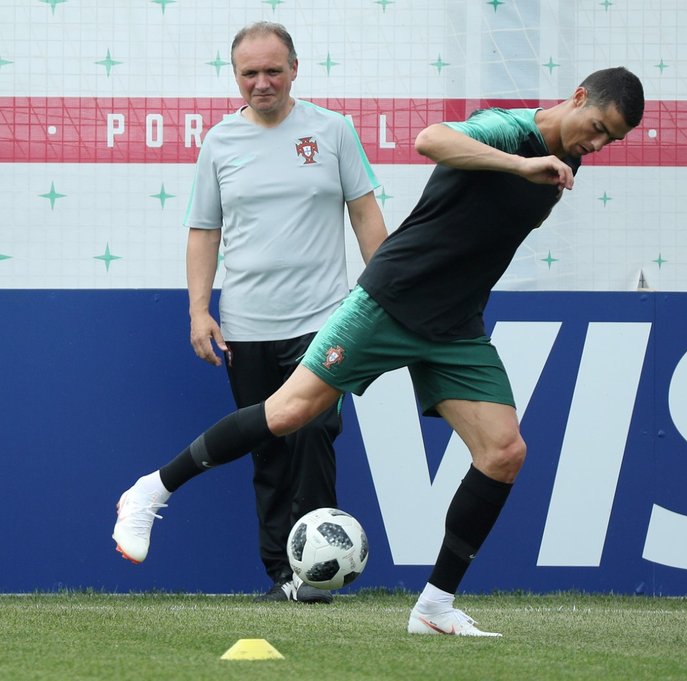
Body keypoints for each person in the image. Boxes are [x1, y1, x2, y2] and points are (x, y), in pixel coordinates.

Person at [114, 66, 645, 635]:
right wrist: (521, 165)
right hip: (393, 299)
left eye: (609, 139)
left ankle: (434, 608)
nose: (597, 143)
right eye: (596, 127)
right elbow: (431, 140)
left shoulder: (572, 159)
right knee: (290, 413)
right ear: (579, 97)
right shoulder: (510, 131)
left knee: (504, 453)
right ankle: (150, 490)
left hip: (455, 325)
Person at [181, 22, 387, 604]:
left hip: (325, 320)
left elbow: (366, 217)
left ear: (295, 68)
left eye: (274, 70)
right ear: (236, 76)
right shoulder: (219, 142)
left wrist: (385, 297)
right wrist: (201, 310)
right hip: (246, 325)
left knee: (316, 432)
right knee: (267, 450)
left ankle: (318, 574)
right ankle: (281, 574)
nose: (263, 82)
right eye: (250, 73)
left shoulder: (334, 131)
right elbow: (204, 231)